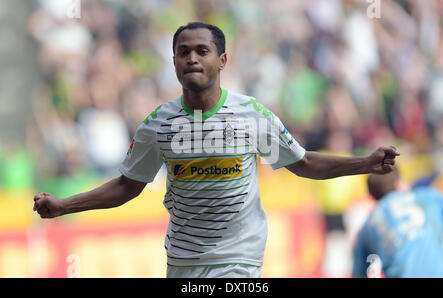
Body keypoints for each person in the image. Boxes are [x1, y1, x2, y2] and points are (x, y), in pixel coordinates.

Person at [33, 22, 399, 278]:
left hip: (240, 257)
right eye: (183, 52)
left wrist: (365, 163)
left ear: (221, 61)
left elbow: (302, 164)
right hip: (183, 259)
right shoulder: (158, 124)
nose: (192, 58)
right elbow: (128, 186)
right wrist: (66, 205)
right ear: (174, 62)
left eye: (202, 51)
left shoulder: (251, 114)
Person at [352, 167, 443, 278]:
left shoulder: (368, 226)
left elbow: (358, 273)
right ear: (399, 183)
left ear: (371, 194)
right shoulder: (428, 197)